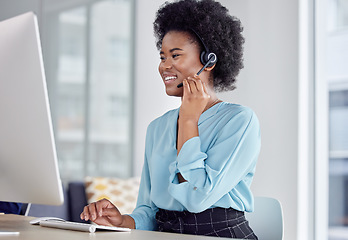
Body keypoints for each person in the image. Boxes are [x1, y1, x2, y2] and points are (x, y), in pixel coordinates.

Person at [81, 0, 261, 238]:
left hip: (221, 234)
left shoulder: (239, 121)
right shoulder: (157, 128)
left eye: (175, 56)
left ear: (209, 60)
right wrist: (123, 220)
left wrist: (189, 119)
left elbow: (198, 197)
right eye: (162, 56)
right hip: (166, 233)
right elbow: (150, 209)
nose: (164, 66)